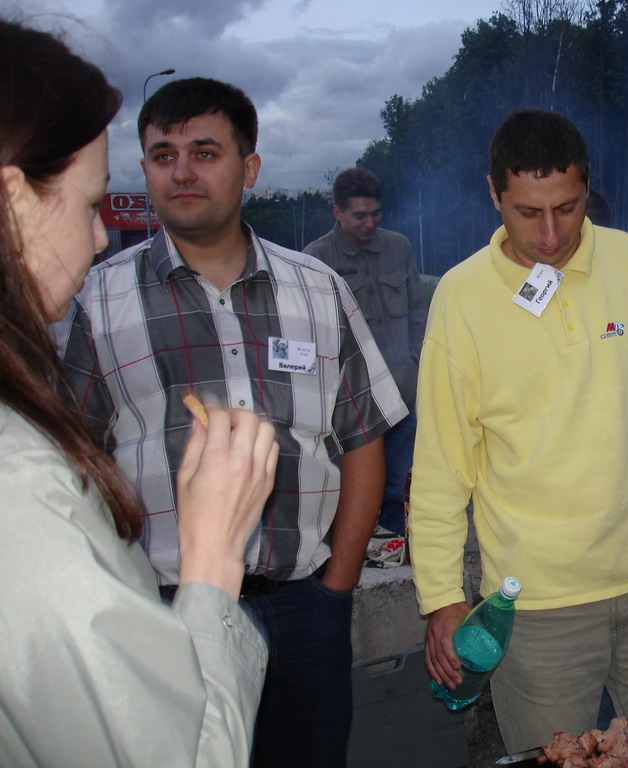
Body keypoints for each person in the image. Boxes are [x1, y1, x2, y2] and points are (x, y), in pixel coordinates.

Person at [57, 77, 407, 768]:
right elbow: (72, 460)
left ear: (248, 169)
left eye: (205, 152)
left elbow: (362, 439)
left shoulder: (318, 289)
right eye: (163, 155)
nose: (181, 172)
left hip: (303, 607)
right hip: (161, 609)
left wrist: (336, 587)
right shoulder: (97, 300)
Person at [0, 19, 279, 766]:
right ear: (14, 201)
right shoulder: (19, 483)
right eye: (91, 205)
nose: (100, 237)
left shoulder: (315, 284)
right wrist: (214, 554)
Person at [410, 109, 628, 753]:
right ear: (494, 194)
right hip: (535, 607)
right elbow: (442, 464)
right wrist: (440, 596)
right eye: (528, 212)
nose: (551, 234)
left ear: (587, 188)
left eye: (568, 208)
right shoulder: (461, 298)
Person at [304, 167, 427, 534]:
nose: (370, 223)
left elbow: (418, 316)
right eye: (360, 215)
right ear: (338, 212)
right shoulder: (316, 260)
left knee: (401, 489)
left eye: (376, 213)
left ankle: (395, 549)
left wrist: (415, 364)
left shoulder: (399, 248)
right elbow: (313, 335)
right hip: (352, 404)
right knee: (353, 491)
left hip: (403, 395)